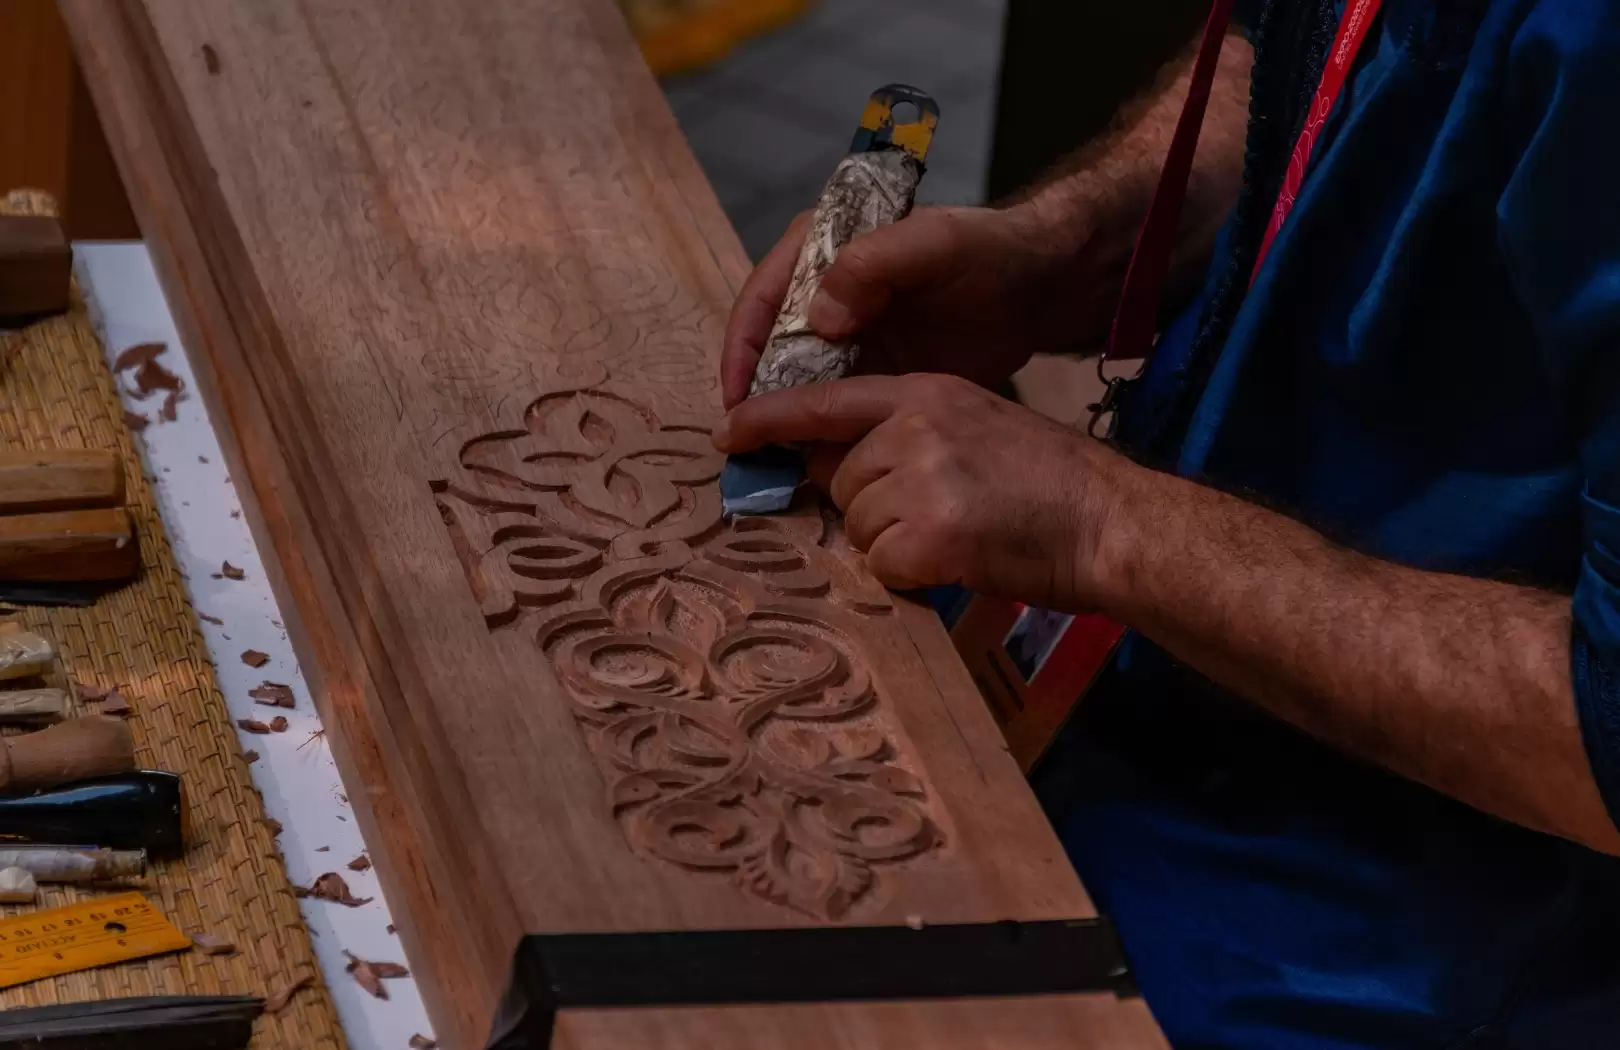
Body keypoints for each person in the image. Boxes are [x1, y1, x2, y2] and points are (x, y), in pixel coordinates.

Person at [712, 0, 1620, 1046]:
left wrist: (1106, 525)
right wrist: (1065, 247)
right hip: (1133, 687)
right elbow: (1286, 46)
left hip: (1386, 932)